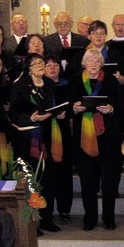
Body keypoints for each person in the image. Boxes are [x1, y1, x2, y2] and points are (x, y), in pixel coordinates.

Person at [9, 54, 63, 233]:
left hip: (48, 136)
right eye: (35, 63)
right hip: (28, 140)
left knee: (49, 180)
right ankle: (34, 221)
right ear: (28, 68)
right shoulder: (20, 86)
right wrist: (31, 117)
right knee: (32, 181)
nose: (40, 65)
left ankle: (47, 218)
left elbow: (54, 106)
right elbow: (14, 113)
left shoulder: (50, 84)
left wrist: (59, 113)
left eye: (41, 62)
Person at [70, 49, 121, 231]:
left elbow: (121, 105)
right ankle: (89, 219)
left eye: (96, 60)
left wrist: (112, 109)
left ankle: (109, 218)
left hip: (107, 138)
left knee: (108, 183)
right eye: (90, 60)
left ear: (101, 64)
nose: (93, 63)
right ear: (84, 63)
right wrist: (74, 109)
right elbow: (68, 105)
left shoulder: (110, 80)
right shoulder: (75, 80)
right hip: (84, 137)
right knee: (87, 182)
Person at [44, 55, 74, 222]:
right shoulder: (39, 86)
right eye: (48, 65)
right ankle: (47, 212)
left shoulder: (66, 84)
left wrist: (66, 113)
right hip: (46, 132)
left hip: (63, 131)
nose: (53, 67)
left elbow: (73, 107)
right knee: (49, 174)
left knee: (64, 172)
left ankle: (64, 209)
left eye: (56, 64)